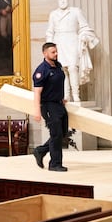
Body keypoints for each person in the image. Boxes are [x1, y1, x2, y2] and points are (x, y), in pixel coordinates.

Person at [45, 0, 99, 103]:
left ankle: (76, 94)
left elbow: (84, 26)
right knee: (62, 70)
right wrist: (49, 46)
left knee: (73, 67)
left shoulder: (76, 11)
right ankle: (66, 95)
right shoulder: (53, 14)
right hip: (59, 42)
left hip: (72, 40)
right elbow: (50, 31)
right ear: (57, 0)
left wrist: (84, 35)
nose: (63, 1)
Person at [32, 42, 69, 172]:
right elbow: (37, 92)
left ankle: (40, 151)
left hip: (59, 104)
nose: (56, 54)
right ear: (45, 53)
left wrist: (61, 97)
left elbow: (56, 85)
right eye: (53, 52)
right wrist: (37, 111)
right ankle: (55, 164)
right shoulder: (41, 70)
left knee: (63, 133)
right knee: (56, 134)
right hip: (48, 106)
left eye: (56, 51)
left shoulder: (57, 66)